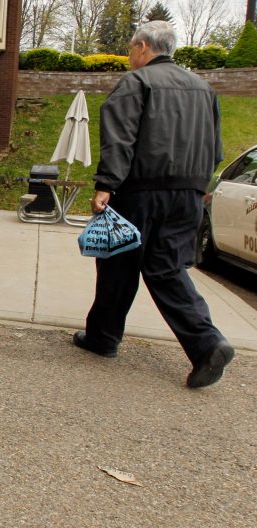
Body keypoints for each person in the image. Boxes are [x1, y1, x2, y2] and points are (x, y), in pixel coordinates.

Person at [73, 21, 235, 388]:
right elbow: (216, 146)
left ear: (143, 47)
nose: (130, 56)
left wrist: (106, 185)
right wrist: (201, 185)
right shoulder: (203, 88)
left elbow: (120, 138)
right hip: (190, 193)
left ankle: (102, 338)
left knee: (118, 262)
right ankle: (207, 343)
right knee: (167, 267)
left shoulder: (137, 83)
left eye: (131, 49)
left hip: (141, 191)